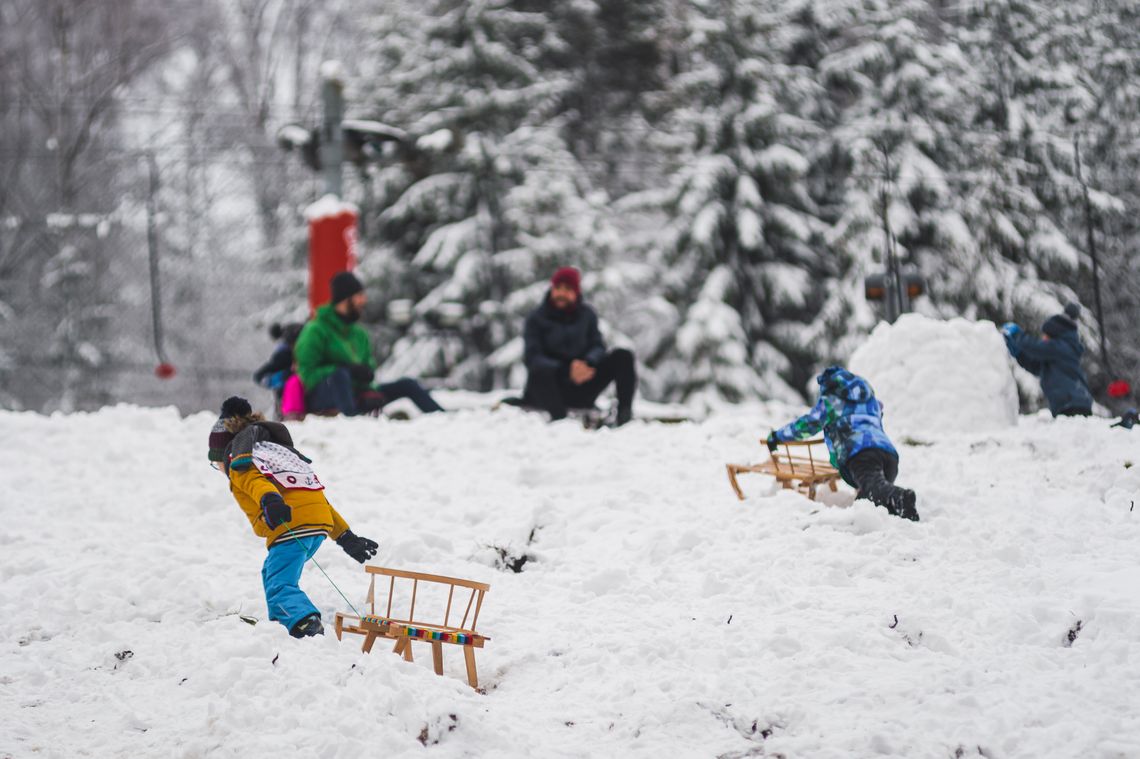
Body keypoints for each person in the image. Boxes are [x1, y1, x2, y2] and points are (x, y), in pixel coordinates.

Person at [208, 396, 379, 637]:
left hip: (290, 525)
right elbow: (314, 497)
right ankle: (283, 619)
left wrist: (271, 499)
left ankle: (304, 623)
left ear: (226, 453)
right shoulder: (279, 455)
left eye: (217, 463)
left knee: (280, 581)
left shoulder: (242, 464)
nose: (220, 469)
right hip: (318, 525)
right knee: (272, 571)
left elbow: (256, 483)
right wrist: (346, 536)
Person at [767, 366, 919, 521]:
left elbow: (808, 424)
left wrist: (777, 436)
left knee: (875, 490)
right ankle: (900, 519)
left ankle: (901, 496)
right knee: (867, 506)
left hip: (861, 454)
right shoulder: (871, 400)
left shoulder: (833, 402)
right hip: (889, 455)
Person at [293, 271, 443, 416]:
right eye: (358, 296)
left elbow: (367, 366)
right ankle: (354, 419)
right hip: (323, 396)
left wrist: (368, 385)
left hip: (356, 393)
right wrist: (344, 370)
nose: (363, 300)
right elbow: (307, 374)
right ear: (345, 298)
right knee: (341, 375)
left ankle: (445, 419)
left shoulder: (359, 334)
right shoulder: (316, 329)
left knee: (407, 384)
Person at [520, 266, 637, 426]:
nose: (561, 293)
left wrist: (588, 363)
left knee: (623, 356)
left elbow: (598, 346)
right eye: (558, 288)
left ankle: (624, 417)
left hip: (582, 383)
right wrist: (566, 369)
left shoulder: (587, 315)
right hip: (549, 388)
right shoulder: (536, 318)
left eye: (567, 289)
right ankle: (560, 421)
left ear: (576, 292)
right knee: (539, 371)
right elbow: (532, 357)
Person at [1001, 303, 1093, 417]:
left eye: (1046, 335)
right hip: (1067, 405)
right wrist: (1019, 354)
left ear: (1055, 335)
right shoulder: (1055, 355)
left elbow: (1035, 347)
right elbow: (1035, 366)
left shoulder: (1061, 347)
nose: (1043, 338)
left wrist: (1017, 335)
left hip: (1073, 403)